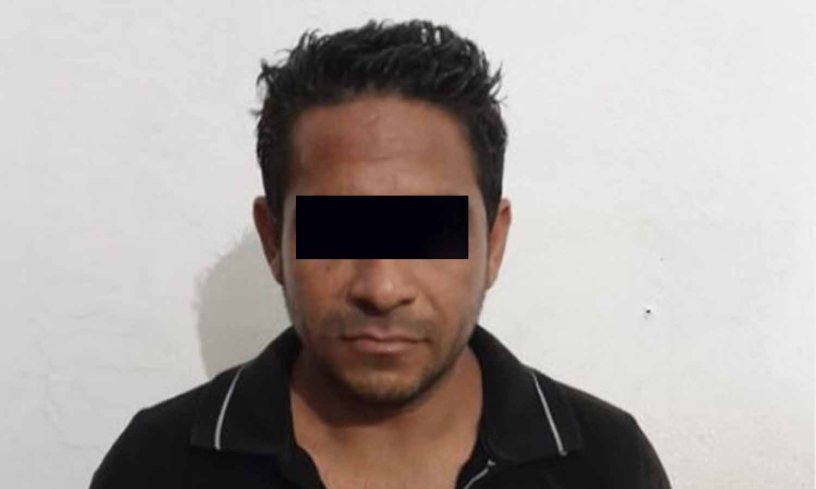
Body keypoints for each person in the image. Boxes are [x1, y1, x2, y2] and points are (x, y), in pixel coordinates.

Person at [90, 19, 672, 489]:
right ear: (273, 241)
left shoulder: (608, 464)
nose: (382, 287)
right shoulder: (157, 465)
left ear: (493, 244)